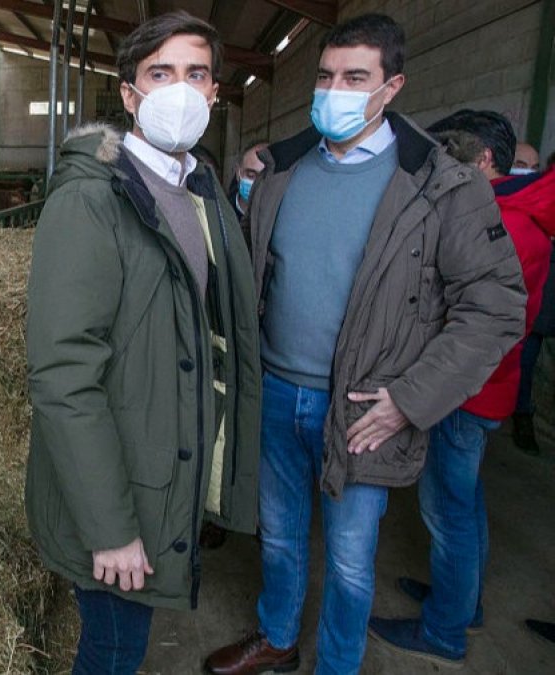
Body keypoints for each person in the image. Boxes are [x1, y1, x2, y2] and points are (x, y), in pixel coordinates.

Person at [204, 14, 525, 675]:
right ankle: (278, 637)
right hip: (275, 390)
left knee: (351, 558)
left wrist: (411, 398)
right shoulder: (283, 170)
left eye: (355, 77)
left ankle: (339, 665)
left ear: (392, 86)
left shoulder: (441, 185)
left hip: (363, 407)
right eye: (326, 76)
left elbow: (495, 306)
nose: (334, 91)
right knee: (278, 534)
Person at [26, 10, 261, 674]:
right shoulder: (92, 200)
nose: (180, 90)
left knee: (121, 645)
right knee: (113, 650)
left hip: (162, 471)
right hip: (119, 489)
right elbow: (64, 373)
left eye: (196, 74)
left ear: (215, 92)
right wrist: (110, 527)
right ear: (130, 95)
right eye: (161, 74)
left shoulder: (199, 193)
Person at [365, 111, 555, 667]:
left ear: (483, 161)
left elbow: (474, 321)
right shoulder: (516, 214)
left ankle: (444, 631)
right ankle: (461, 601)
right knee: (464, 504)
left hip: (465, 393)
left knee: (448, 513)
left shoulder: (504, 224)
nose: (440, 165)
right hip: (482, 387)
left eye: (450, 154)